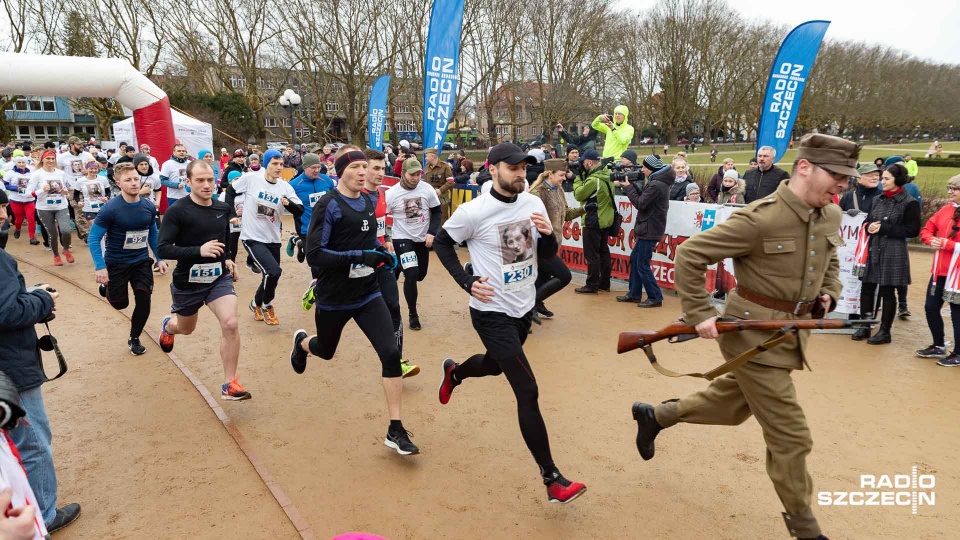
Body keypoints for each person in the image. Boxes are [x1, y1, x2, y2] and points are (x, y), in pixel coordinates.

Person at [630, 133, 861, 540]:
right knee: (792, 436)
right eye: (837, 175)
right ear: (805, 168)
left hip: (787, 336)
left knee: (734, 406)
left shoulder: (829, 215)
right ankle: (806, 529)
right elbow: (690, 254)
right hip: (750, 335)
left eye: (847, 177)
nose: (843, 184)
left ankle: (656, 416)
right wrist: (701, 312)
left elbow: (829, 264)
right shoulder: (761, 218)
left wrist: (829, 294)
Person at [433, 142, 587, 504]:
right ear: (493, 169)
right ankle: (552, 478)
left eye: (524, 167)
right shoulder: (474, 211)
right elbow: (441, 243)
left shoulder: (533, 203)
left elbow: (546, 255)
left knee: (495, 365)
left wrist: (549, 236)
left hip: (522, 308)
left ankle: (455, 372)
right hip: (490, 314)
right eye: (513, 167)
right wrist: (466, 281)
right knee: (527, 389)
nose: (521, 173)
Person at [289, 148, 420, 456]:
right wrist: (361, 256)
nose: (364, 173)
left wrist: (380, 253)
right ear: (341, 172)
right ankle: (303, 344)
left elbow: (366, 239)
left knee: (390, 354)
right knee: (326, 350)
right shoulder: (328, 205)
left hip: (367, 293)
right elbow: (316, 254)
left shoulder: (366, 200)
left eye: (366, 167)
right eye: (357, 167)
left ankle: (395, 429)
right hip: (334, 298)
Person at [0, 189, 82, 534]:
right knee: (31, 441)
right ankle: (44, 514)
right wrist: (40, 300)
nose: (5, 215)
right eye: (2, 209)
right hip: (10, 368)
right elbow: (7, 311)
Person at [157, 160, 250, 401]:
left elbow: (224, 239)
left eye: (210, 180)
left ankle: (230, 383)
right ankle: (169, 326)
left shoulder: (221, 208)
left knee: (230, 323)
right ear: (188, 182)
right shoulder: (177, 210)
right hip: (188, 282)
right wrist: (198, 251)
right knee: (186, 328)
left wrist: (228, 259)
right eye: (200, 180)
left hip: (217, 278)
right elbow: (164, 248)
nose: (206, 185)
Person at [87, 162, 168, 355]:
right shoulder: (110, 209)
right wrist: (100, 267)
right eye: (128, 180)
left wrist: (159, 257)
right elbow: (93, 237)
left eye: (135, 179)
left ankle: (134, 338)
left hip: (141, 261)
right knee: (120, 304)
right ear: (118, 183)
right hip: (116, 263)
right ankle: (106, 287)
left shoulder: (148, 206)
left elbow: (153, 234)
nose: (133, 183)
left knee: (144, 301)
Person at [224, 149, 304, 326]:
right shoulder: (252, 179)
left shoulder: (285, 187)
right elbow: (230, 191)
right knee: (273, 272)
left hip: (273, 239)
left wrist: (288, 203)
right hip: (252, 236)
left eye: (281, 164)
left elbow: (299, 210)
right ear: (266, 164)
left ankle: (255, 304)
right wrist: (231, 214)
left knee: (269, 275)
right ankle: (267, 305)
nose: (278, 167)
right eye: (274, 164)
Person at [360, 148, 419, 377]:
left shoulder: (383, 193)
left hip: (381, 262)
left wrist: (389, 241)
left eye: (382, 168)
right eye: (375, 168)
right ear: (362, 169)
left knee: (393, 307)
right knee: (330, 338)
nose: (380, 173)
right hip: (358, 263)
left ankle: (397, 361)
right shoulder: (354, 197)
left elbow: (383, 223)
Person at [854, 163, 921, 345]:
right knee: (867, 287)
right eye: (882, 178)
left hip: (893, 251)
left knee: (887, 291)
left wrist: (885, 228)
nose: (882, 181)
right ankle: (865, 325)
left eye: (886, 178)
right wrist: (869, 227)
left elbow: (913, 230)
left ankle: (885, 331)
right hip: (874, 248)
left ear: (897, 181)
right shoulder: (878, 199)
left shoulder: (909, 202)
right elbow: (868, 222)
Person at [384, 157, 441, 330]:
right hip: (402, 238)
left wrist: (432, 232)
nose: (416, 178)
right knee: (411, 274)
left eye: (418, 174)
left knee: (420, 275)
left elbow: (437, 212)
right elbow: (383, 216)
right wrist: (386, 238)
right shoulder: (392, 193)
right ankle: (413, 314)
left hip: (422, 238)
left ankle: (399, 266)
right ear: (403, 173)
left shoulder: (427, 189)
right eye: (412, 174)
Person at [528, 159, 584, 319]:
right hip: (540, 246)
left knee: (544, 277)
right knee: (564, 276)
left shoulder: (558, 189)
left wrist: (585, 209)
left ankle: (536, 303)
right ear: (549, 173)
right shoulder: (537, 193)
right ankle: (530, 305)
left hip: (552, 244)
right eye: (561, 175)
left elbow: (566, 214)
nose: (564, 178)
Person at [916, 174, 960, 365]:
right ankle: (938, 345)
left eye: (954, 189)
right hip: (939, 271)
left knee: (957, 314)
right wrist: (929, 239)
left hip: (957, 275)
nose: (950, 192)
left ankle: (958, 353)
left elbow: (951, 244)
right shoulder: (945, 209)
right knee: (931, 307)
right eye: (949, 188)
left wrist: (947, 244)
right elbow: (927, 228)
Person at [618, 155, 670, 307]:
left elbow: (640, 203)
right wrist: (631, 185)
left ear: (651, 168)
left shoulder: (656, 185)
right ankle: (634, 293)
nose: (642, 169)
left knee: (642, 264)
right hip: (648, 227)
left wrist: (628, 187)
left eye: (644, 167)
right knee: (635, 260)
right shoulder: (657, 182)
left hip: (650, 228)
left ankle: (655, 296)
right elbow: (644, 198)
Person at [572, 149, 614, 294]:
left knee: (592, 254)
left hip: (593, 219)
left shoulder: (593, 180)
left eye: (583, 162)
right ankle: (604, 282)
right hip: (606, 219)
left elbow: (579, 194)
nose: (582, 165)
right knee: (603, 252)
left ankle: (592, 284)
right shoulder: (607, 175)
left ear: (590, 162)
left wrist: (577, 178)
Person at [28, 151, 75, 266]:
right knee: (52, 234)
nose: (50, 161)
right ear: (42, 160)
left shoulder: (61, 173)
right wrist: (41, 190)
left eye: (52, 158)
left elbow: (65, 189)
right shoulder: (37, 174)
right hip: (44, 208)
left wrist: (65, 193)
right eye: (48, 158)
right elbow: (27, 193)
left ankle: (65, 249)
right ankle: (56, 255)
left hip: (61, 206)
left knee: (66, 231)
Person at [288, 152, 335, 263]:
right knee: (315, 263)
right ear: (304, 167)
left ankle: (300, 245)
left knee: (327, 258)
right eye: (313, 167)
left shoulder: (326, 180)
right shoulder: (294, 185)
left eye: (319, 167)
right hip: (306, 228)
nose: (317, 170)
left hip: (327, 226)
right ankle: (301, 244)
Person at [3, 154, 39, 245]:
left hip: (29, 199)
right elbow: (5, 185)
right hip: (16, 199)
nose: (21, 164)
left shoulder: (31, 171)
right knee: (19, 218)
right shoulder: (10, 173)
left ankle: (32, 237)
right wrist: (15, 188)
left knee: (31, 218)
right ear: (15, 163)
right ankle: (18, 228)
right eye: (19, 162)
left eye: (23, 162)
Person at [73, 160, 110, 240]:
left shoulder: (103, 179)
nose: (94, 170)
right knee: (97, 229)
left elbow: (108, 191)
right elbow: (75, 195)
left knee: (104, 230)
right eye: (91, 168)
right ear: (87, 168)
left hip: (102, 208)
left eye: (95, 168)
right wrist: (79, 201)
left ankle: (104, 247)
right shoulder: (80, 181)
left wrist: (106, 197)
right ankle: (97, 246)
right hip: (89, 209)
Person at [424, 148, 454, 224]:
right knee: (430, 218)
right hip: (430, 197)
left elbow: (451, 181)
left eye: (427, 156)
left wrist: (440, 190)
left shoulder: (445, 166)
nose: (425, 158)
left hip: (442, 198)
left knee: (442, 219)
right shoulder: (427, 167)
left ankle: (440, 235)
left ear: (433, 156)